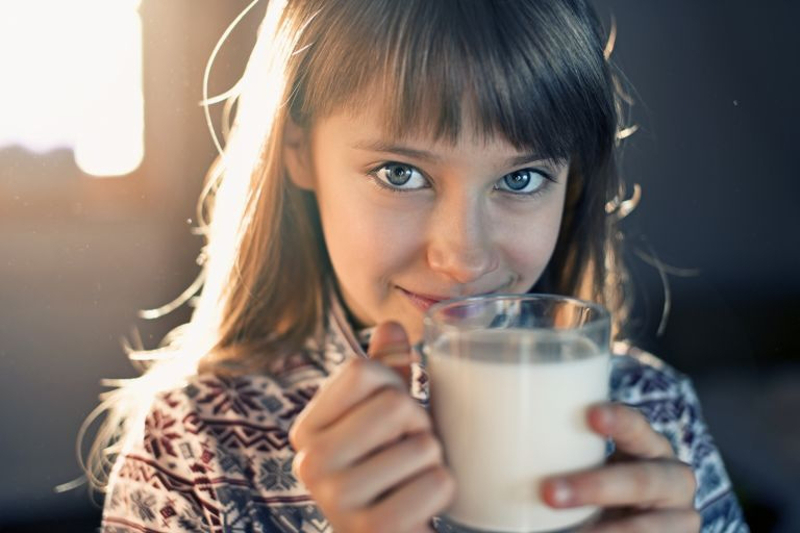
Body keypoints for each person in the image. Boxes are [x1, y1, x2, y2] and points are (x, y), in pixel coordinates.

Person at [87, 0, 749, 531]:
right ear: (298, 151)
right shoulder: (194, 447)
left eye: (520, 180)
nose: (462, 257)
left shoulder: (655, 416)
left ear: (573, 182)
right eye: (399, 173)